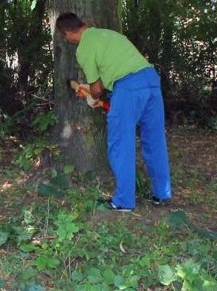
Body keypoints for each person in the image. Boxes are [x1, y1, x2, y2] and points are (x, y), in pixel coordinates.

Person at [56, 12, 172, 211]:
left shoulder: (84, 48)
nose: (67, 40)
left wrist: (92, 98)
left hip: (128, 88)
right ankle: (161, 193)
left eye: (65, 36)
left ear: (68, 32)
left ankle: (124, 201)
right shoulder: (108, 34)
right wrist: (91, 90)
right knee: (154, 140)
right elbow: (107, 76)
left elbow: (98, 89)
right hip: (151, 81)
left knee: (120, 143)